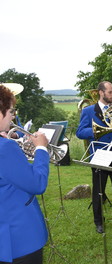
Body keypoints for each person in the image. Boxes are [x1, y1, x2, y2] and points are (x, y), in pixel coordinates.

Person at [76, 81, 112, 233]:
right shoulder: (89, 111)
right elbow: (80, 132)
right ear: (101, 93)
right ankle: (99, 222)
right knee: (98, 190)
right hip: (99, 156)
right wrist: (96, 132)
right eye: (110, 92)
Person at [0, 84, 50, 264]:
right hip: (18, 238)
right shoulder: (5, 148)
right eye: (11, 111)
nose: (13, 116)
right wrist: (42, 149)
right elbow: (37, 184)